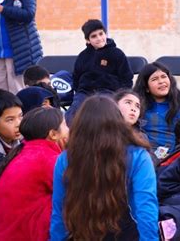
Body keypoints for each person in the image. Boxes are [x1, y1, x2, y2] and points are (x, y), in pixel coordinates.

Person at [50, 95, 159, 241]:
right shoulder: (138, 156)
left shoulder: (65, 158)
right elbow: (146, 209)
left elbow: (59, 212)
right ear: (119, 123)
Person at [0, 107, 68, 241]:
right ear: (53, 134)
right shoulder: (47, 158)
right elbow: (73, 194)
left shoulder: (26, 150)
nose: (69, 130)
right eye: (65, 125)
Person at [65, 19, 133, 125]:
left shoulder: (117, 54)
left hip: (109, 91)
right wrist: (79, 90)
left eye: (101, 34)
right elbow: (76, 77)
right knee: (73, 112)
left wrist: (121, 95)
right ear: (88, 40)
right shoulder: (83, 56)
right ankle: (72, 137)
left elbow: (126, 78)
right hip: (85, 92)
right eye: (94, 36)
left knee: (105, 113)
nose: (99, 38)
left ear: (105, 34)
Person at [133, 62, 180, 158]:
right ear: (147, 88)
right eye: (154, 79)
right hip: (145, 156)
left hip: (175, 156)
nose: (161, 81)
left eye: (164, 76)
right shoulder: (138, 106)